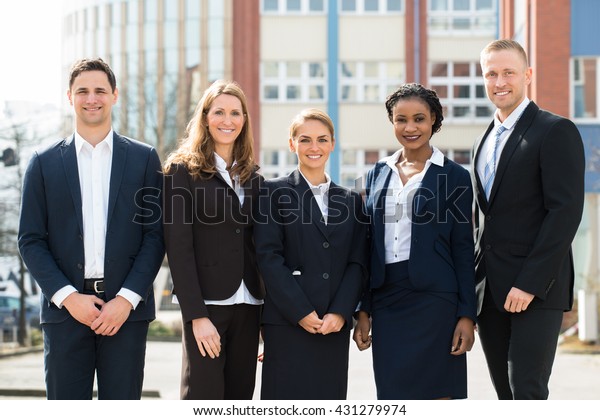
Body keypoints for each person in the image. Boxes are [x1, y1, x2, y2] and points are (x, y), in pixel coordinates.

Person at [17, 58, 165, 400]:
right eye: (82, 91)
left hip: (126, 315)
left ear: (115, 95)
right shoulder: (42, 162)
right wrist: (68, 298)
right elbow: (30, 240)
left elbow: (155, 236)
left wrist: (126, 300)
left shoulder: (144, 159)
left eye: (100, 90)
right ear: (69, 97)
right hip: (66, 314)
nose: (91, 98)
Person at [471, 39, 585, 400]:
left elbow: (564, 213)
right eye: (491, 74)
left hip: (536, 290)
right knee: (505, 395)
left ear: (528, 75)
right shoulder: (482, 142)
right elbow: (483, 222)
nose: (499, 81)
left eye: (508, 72)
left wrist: (530, 283)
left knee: (528, 392)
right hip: (490, 292)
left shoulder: (554, 130)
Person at [352, 83, 477, 400]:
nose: (410, 127)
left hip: (436, 302)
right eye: (401, 119)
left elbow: (463, 248)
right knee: (394, 396)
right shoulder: (378, 173)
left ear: (434, 120)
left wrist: (467, 315)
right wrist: (363, 309)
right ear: (392, 121)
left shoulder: (455, 176)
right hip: (387, 299)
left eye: (419, 119)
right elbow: (369, 245)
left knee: (439, 396)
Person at [255, 108, 369, 400]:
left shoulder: (351, 200)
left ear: (333, 143)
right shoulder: (272, 192)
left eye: (322, 139)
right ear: (292, 144)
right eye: (305, 140)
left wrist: (342, 313)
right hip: (287, 323)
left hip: (332, 327)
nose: (314, 147)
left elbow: (357, 263)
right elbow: (269, 258)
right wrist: (300, 312)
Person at [162, 80, 265, 400]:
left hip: (250, 306)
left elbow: (260, 247)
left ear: (244, 120)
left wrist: (268, 321)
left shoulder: (254, 177)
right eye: (219, 112)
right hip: (208, 306)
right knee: (202, 397)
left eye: (236, 113)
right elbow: (178, 247)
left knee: (240, 399)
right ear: (205, 117)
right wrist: (196, 315)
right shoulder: (181, 170)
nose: (228, 120)